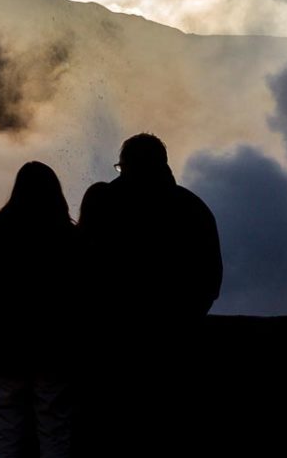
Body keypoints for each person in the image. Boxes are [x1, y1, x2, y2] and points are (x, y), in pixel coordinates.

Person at [78, 133, 222, 454]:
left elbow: (82, 269)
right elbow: (210, 280)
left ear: (127, 165)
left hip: (111, 346)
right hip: (176, 345)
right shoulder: (193, 209)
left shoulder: (105, 203)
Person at [0, 161, 80, 458]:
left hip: (3, 346)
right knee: (55, 427)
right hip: (52, 346)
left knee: (6, 428)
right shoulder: (67, 236)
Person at [78, 133, 222, 324]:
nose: (122, 175)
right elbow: (210, 282)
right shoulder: (194, 208)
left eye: (123, 168)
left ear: (135, 168)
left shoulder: (112, 203)